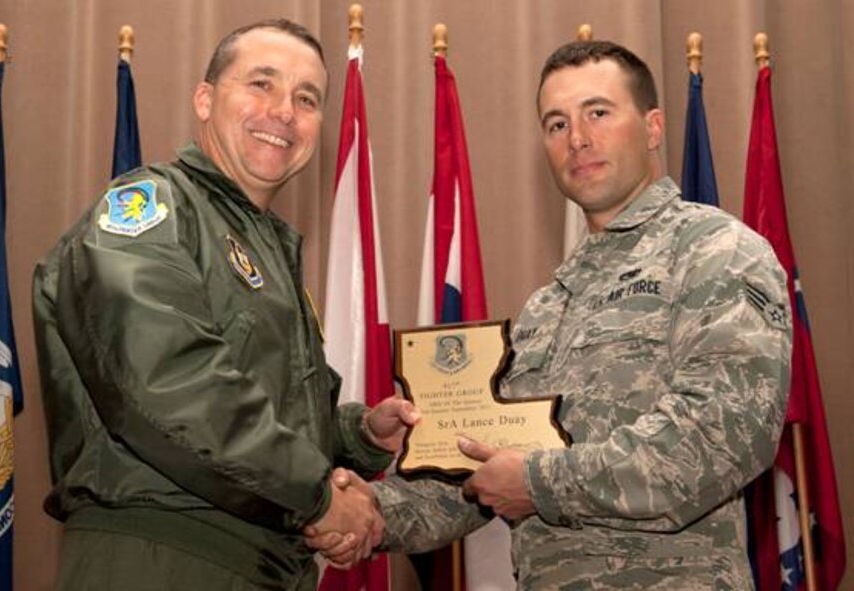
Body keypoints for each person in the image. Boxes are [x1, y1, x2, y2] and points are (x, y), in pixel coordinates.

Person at [307, 40, 792, 589]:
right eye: (556, 124)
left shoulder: (716, 251)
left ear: (653, 127)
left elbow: (722, 435)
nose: (578, 139)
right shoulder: (547, 307)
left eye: (599, 113)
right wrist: (365, 510)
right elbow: (479, 472)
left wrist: (538, 483)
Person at [32, 19, 417, 591]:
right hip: (162, 558)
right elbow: (167, 384)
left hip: (259, 562)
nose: (284, 111)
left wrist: (357, 434)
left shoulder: (266, 247)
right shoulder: (150, 209)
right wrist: (317, 497)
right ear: (205, 100)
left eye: (306, 98)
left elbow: (260, 405)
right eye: (261, 84)